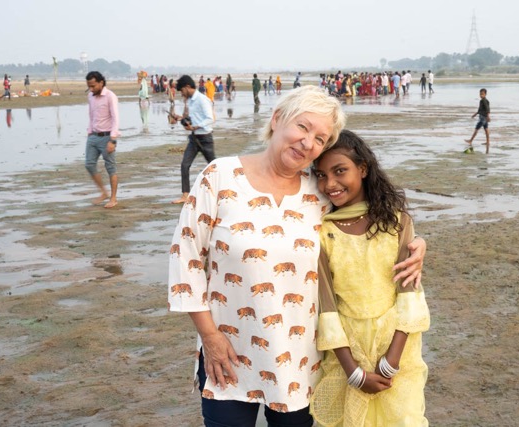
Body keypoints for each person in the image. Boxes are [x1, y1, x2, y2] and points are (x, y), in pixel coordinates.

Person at [167, 86, 427, 427]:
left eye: (320, 138)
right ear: (277, 119)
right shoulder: (219, 177)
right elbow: (185, 259)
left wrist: (417, 242)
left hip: (298, 361)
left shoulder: (319, 192)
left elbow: (368, 226)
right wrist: (210, 338)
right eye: (303, 128)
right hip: (227, 353)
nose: (308, 143)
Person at [310, 130, 429, 426]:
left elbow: (409, 292)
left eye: (340, 171)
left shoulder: (397, 221)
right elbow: (327, 305)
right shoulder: (322, 232)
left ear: (362, 169)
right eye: (321, 175)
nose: (330, 184)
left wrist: (392, 360)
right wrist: (353, 371)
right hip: (347, 350)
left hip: (398, 347)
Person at [170, 75, 216, 205]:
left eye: (182, 91)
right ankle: (185, 195)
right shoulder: (190, 101)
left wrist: (196, 126)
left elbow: (210, 118)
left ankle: (222, 190)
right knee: (185, 165)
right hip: (193, 138)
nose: (182, 93)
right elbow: (192, 117)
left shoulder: (202, 100)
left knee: (214, 167)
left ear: (188, 87)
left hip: (205, 138)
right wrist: (181, 119)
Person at [85, 71, 120, 208]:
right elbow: (91, 116)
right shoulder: (90, 97)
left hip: (107, 137)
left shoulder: (110, 96)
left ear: (101, 83)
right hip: (93, 136)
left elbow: (115, 118)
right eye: (89, 86)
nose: (91, 89)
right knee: (89, 164)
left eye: (93, 86)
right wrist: (89, 132)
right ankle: (103, 192)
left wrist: (113, 140)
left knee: (110, 167)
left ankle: (113, 198)